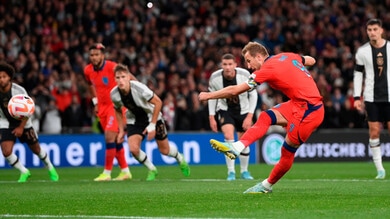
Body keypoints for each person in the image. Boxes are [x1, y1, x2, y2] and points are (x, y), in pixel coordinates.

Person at [199, 42, 324, 193]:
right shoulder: (287, 56)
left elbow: (235, 91)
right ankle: (237, 147)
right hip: (298, 104)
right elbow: (311, 60)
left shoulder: (266, 69)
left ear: (259, 57)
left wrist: (209, 95)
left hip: (310, 111)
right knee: (266, 116)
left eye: (249, 61)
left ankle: (266, 186)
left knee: (287, 152)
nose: (249, 66)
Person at [110, 63, 190, 181]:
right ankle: (152, 169)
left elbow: (158, 102)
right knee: (133, 149)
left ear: (128, 77)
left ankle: (179, 158)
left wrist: (152, 125)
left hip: (152, 115)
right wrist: (121, 130)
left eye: (123, 77)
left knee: (165, 150)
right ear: (114, 79)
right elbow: (117, 110)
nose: (121, 80)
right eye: (118, 77)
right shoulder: (114, 94)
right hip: (135, 119)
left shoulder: (139, 88)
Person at [0, 61, 59, 182]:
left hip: (23, 122)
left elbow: (29, 109)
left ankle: (50, 167)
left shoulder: (19, 90)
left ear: (10, 77)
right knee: (6, 151)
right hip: (5, 121)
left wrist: (21, 127)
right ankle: (24, 171)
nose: (1, 79)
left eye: (4, 77)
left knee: (36, 149)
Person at [84, 43, 131, 181]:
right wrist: (95, 102)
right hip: (102, 108)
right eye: (92, 55)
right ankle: (125, 171)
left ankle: (107, 173)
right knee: (115, 141)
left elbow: (129, 76)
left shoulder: (112, 66)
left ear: (103, 56)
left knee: (109, 136)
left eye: (97, 55)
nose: (94, 57)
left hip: (115, 105)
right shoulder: (87, 70)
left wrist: (136, 92)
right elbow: (89, 84)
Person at [208, 53, 257, 181]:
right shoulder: (215, 78)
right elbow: (212, 97)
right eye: (225, 64)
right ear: (221, 65)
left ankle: (244, 171)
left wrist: (250, 115)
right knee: (228, 137)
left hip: (244, 110)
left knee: (243, 141)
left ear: (235, 65)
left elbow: (253, 94)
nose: (228, 67)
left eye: (230, 64)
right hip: (225, 110)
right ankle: (231, 172)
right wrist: (211, 116)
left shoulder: (245, 75)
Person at [353, 18, 388, 179]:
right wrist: (356, 96)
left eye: (375, 29)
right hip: (371, 97)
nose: (372, 32)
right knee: (374, 131)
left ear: (381, 30)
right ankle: (380, 170)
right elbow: (358, 75)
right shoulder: (362, 52)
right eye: (369, 30)